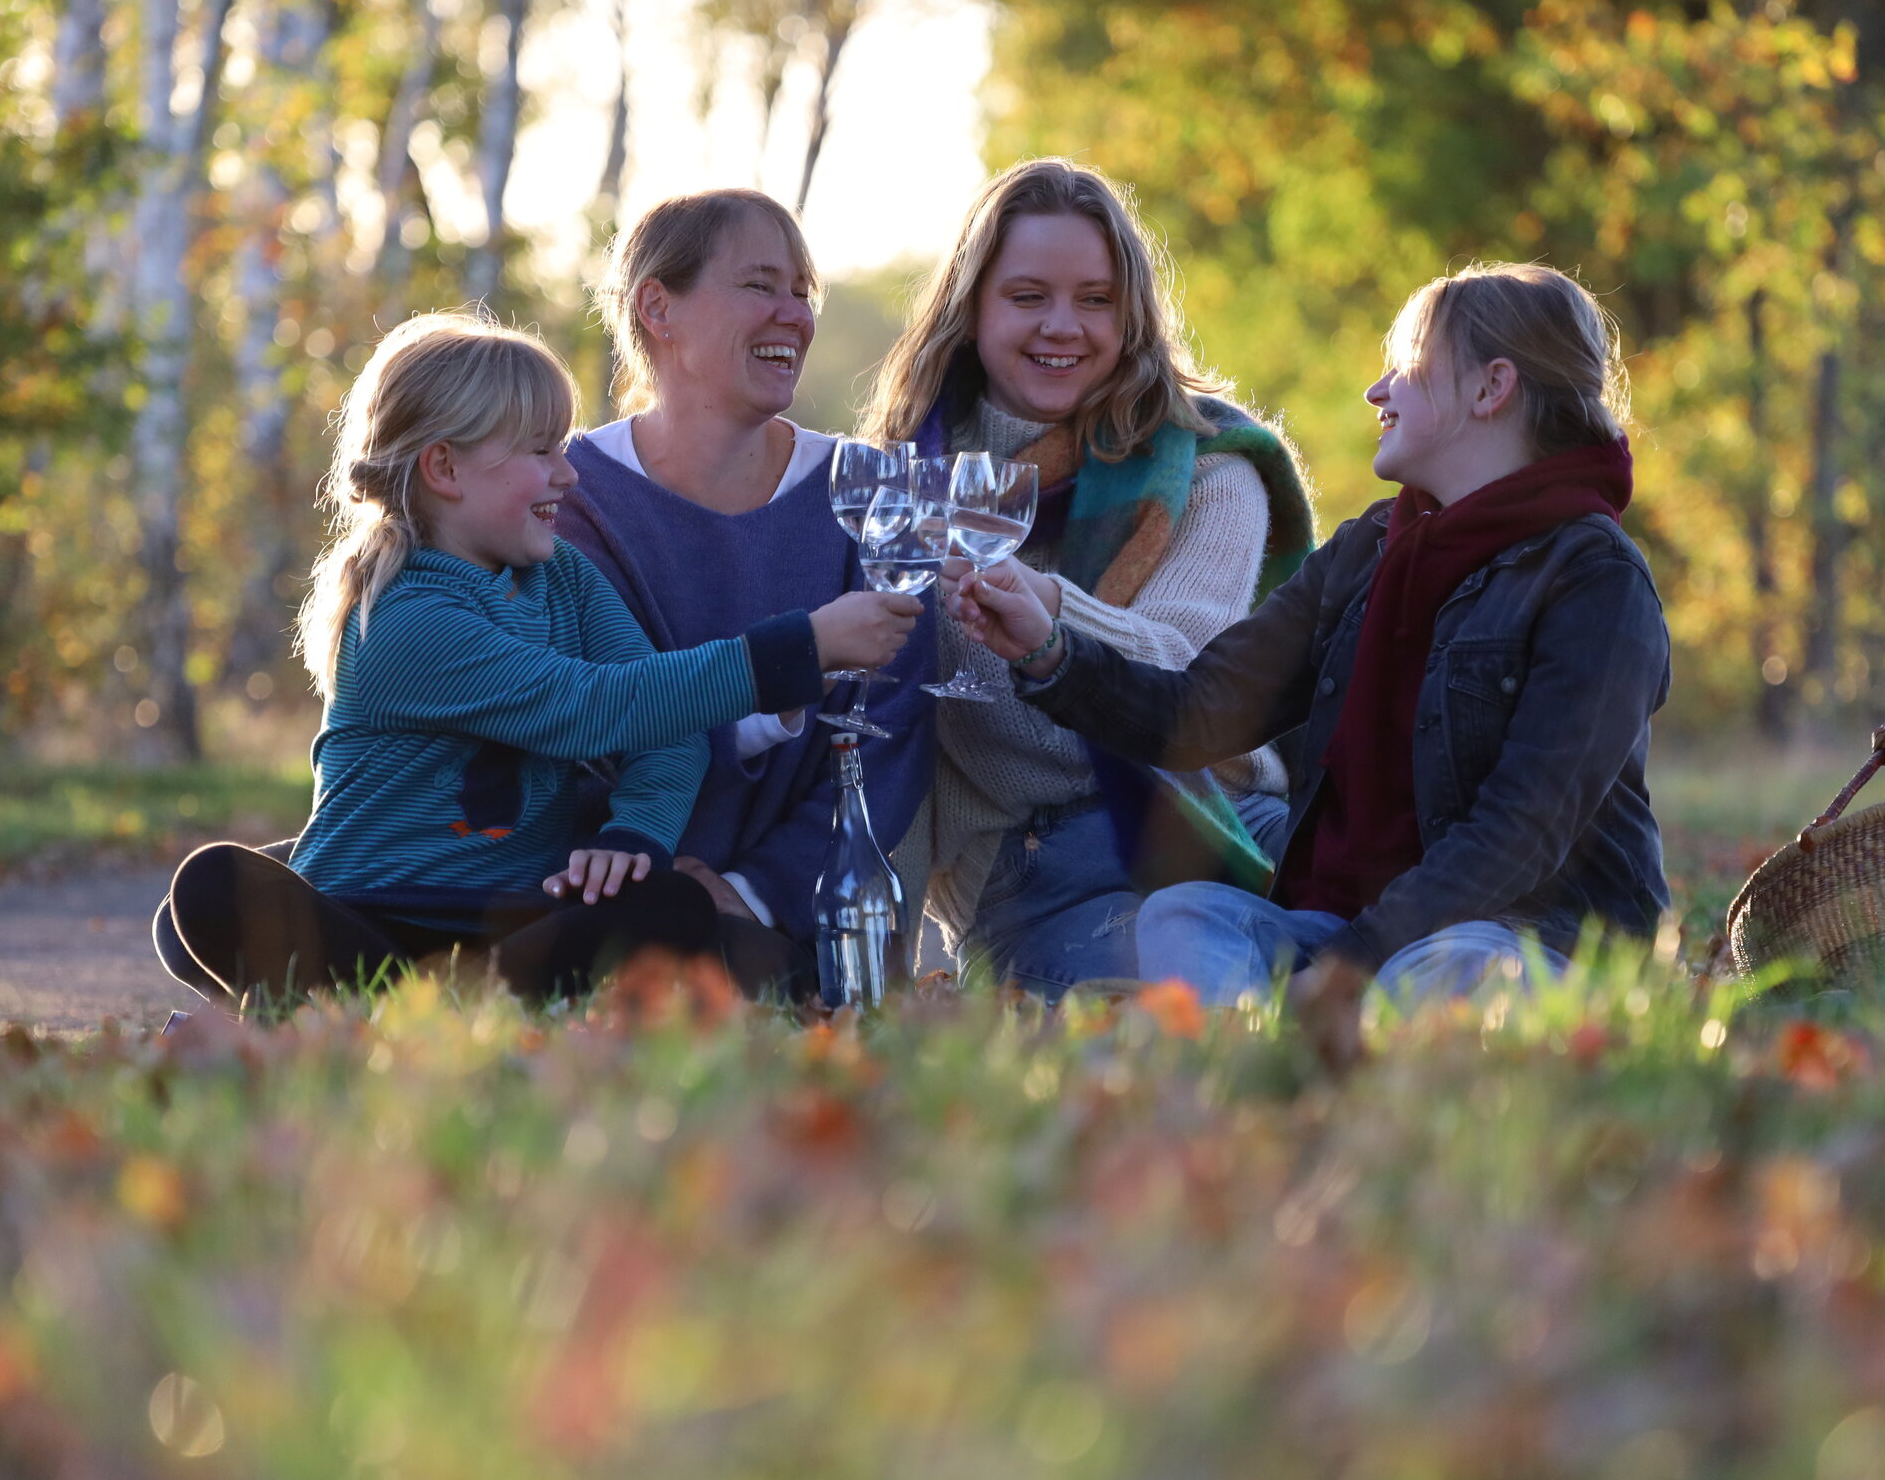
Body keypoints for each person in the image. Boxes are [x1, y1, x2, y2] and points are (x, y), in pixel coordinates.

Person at [945, 260, 1669, 1012]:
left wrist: (1350, 962)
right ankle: (1251, 1061)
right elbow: (1201, 712)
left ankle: (1330, 1033)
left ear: (1492, 388)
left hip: (1522, 932)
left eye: (1408, 368)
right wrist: (1049, 650)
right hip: (1352, 931)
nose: (1377, 391)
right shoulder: (1371, 550)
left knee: (1456, 967)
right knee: (1186, 913)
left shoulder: (1595, 577)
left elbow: (1523, 830)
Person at [155, 309, 918, 1007]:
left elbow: (667, 731)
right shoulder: (402, 616)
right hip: (371, 909)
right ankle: (428, 1012)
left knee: (675, 909)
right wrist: (800, 646)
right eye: (539, 452)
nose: (567, 472)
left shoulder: (564, 578)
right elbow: (591, 707)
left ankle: (411, 1010)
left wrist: (634, 840)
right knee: (213, 884)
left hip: (512, 918)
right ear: (445, 469)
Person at [859, 157, 1315, 998]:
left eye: (1095, 299)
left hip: (1228, 823)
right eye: (1028, 297)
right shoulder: (900, 491)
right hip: (1038, 859)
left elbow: (1191, 673)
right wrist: (883, 966)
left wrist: (1050, 615)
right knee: (1177, 1014)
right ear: (971, 311)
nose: (1063, 326)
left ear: (1131, 314)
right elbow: (891, 736)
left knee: (1384, 966)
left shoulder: (1210, 466)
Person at [559, 189, 934, 998]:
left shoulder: (869, 492)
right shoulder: (570, 496)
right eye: (761, 285)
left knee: (724, 977)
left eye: (804, 293)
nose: (794, 316)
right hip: (599, 890)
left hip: (793, 923)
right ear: (658, 307)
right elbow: (576, 720)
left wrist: (753, 891)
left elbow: (890, 737)